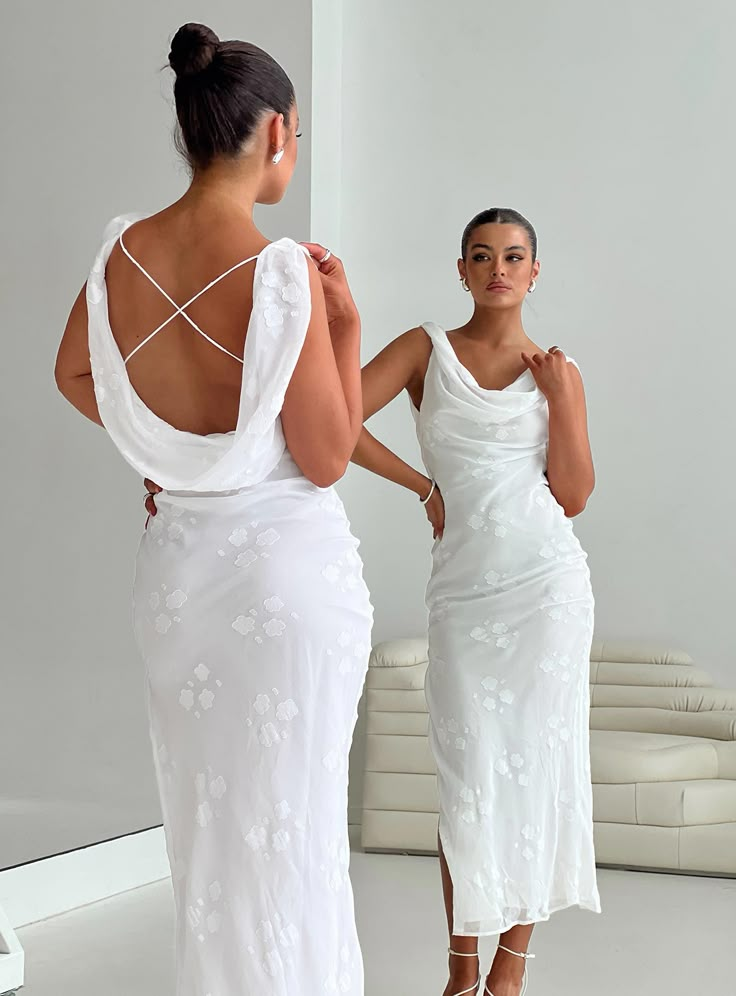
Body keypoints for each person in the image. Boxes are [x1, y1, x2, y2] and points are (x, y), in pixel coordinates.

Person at [54, 22, 373, 996]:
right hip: (283, 590)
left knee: (209, 838)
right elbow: (324, 457)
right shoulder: (282, 272)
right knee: (292, 837)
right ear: (274, 132)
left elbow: (75, 371)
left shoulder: (122, 251)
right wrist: (347, 325)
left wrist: (166, 458)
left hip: (177, 585)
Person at [352, 207, 600, 996]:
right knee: (468, 782)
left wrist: (561, 399)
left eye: (515, 256)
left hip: (547, 589)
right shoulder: (424, 350)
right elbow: (332, 418)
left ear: (535, 273)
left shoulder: (557, 369)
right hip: (464, 592)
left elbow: (575, 494)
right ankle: (462, 971)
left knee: (542, 771)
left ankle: (508, 973)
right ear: (461, 270)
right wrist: (421, 484)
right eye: (482, 255)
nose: (499, 267)